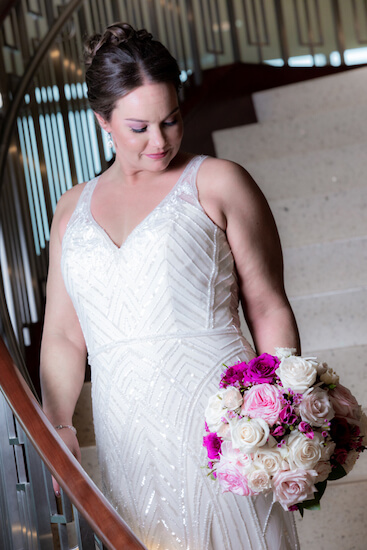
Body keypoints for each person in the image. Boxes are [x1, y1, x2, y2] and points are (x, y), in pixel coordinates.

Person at [40, 22, 301, 550]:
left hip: (223, 426)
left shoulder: (218, 181)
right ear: (103, 123)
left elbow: (268, 305)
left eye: (172, 120)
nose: (160, 141)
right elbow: (65, 335)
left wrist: (282, 413)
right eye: (139, 128)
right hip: (124, 430)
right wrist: (58, 427)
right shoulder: (71, 211)